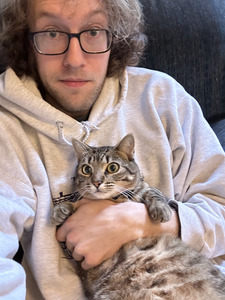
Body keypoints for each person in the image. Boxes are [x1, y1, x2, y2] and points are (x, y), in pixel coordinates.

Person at [0, 0, 225, 299]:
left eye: (93, 31)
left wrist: (143, 223)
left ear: (115, 36)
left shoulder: (164, 98)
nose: (74, 60)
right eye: (52, 32)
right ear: (24, 37)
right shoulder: (6, 125)